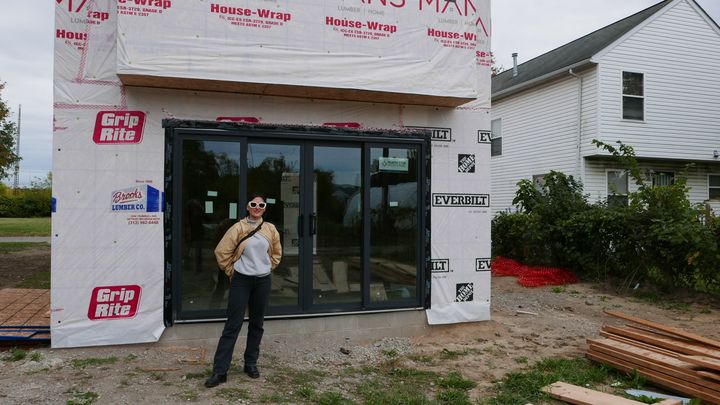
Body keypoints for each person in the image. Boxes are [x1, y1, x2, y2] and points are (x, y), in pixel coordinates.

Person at [205, 193, 282, 388]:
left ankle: (250, 364)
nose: (257, 207)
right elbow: (221, 252)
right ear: (248, 207)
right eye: (253, 204)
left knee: (257, 323)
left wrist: (266, 268)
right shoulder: (238, 228)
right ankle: (220, 371)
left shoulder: (270, 229)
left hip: (262, 281)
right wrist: (232, 271)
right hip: (241, 281)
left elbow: (276, 254)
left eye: (261, 204)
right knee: (233, 324)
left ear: (265, 208)